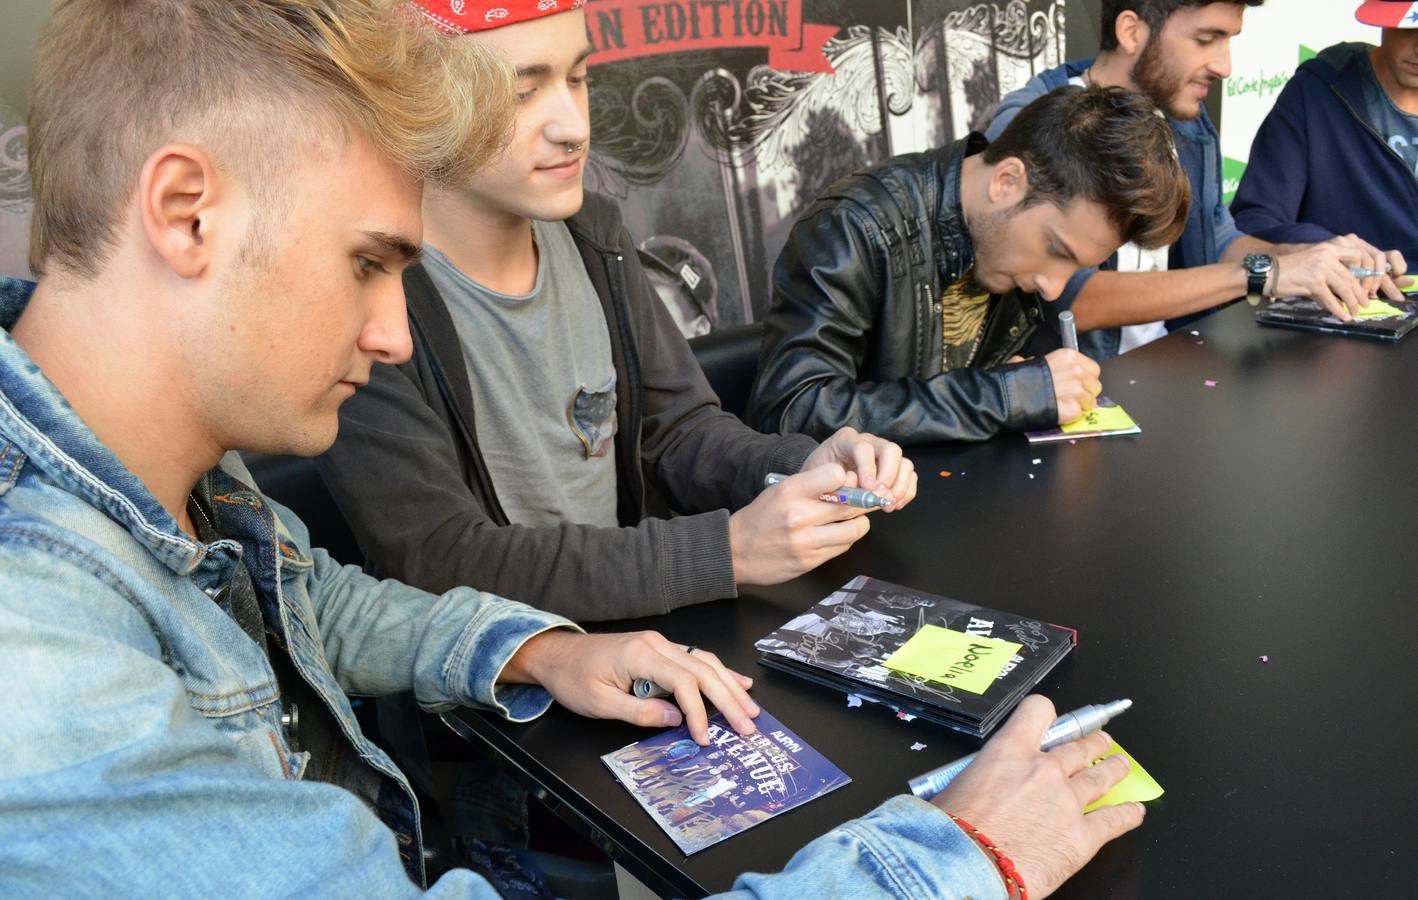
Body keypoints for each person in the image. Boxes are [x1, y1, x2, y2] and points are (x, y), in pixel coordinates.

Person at [0, 1, 1145, 896]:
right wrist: (958, 862)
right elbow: (428, 551)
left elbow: (318, 603)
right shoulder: (41, 674)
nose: (390, 330)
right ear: (186, 212)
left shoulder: (183, 478)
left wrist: (533, 650)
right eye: (363, 262)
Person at [318, 0, 917, 623]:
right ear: (422, 103)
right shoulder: (371, 305)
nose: (573, 126)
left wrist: (797, 466)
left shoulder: (594, 235)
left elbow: (678, 431)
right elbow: (435, 557)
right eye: (523, 93)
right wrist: (724, 552)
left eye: (578, 78)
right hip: (492, 693)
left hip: (641, 632)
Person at [747, 84, 1190, 445]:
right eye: (1056, 250)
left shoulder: (1017, 249)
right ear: (1007, 181)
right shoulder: (855, 227)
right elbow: (790, 411)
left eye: (1076, 268)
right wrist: (1001, 394)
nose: (1053, 288)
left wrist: (1015, 386)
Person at [984, 0, 1408, 360]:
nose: (1224, 66)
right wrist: (1261, 273)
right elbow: (1069, 299)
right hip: (1073, 401)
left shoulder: (1182, 118)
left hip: (1167, 373)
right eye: (1207, 40)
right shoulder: (1037, 127)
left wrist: (1310, 257)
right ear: (1131, 31)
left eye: (1229, 41)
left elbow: (1218, 241)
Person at [1231, 1, 1418, 264]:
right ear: (1385, 23)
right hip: (1348, 297)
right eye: (1409, 30)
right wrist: (1324, 249)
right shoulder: (1315, 91)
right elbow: (1254, 221)